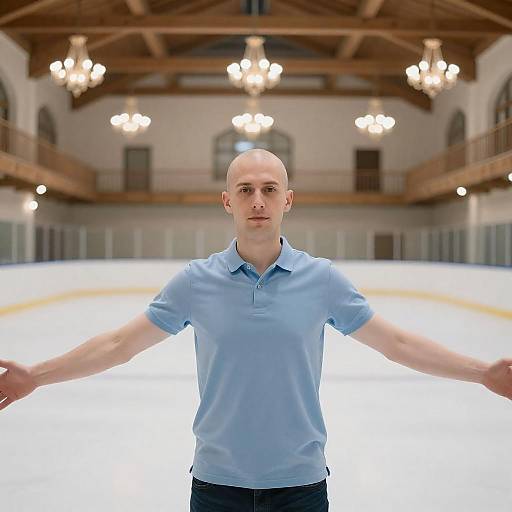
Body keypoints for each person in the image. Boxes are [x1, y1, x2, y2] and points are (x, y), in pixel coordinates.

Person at [0, 149, 510, 512]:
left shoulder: (322, 279)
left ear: (289, 199)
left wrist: (483, 372)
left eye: (270, 189)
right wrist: (36, 376)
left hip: (301, 488)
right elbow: (117, 344)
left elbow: (398, 343)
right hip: (217, 487)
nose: (258, 200)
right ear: (228, 202)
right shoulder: (195, 283)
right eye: (246, 190)